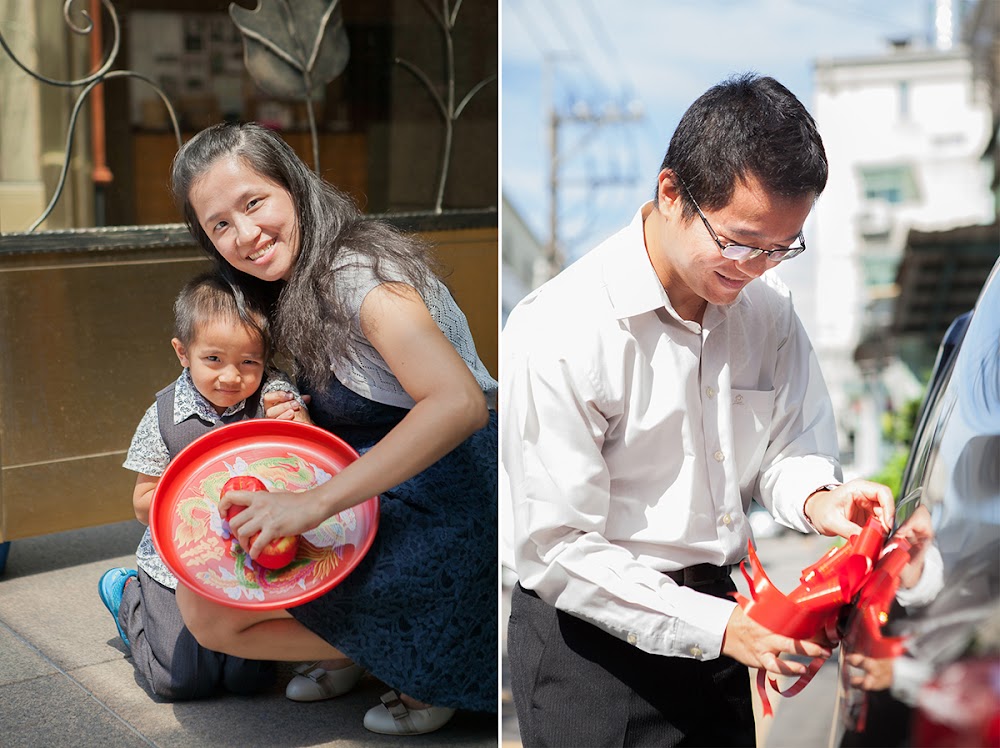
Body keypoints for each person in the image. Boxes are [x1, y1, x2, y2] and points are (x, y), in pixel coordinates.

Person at [501, 72, 896, 747]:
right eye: (741, 242)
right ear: (670, 193)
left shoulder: (769, 317)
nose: (759, 268)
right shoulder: (561, 328)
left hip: (720, 636)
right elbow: (558, 548)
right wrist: (720, 628)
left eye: (782, 247)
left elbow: (786, 449)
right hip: (591, 655)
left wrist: (820, 499)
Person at [166, 121, 498, 736]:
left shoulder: (357, 272)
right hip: (373, 481)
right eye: (219, 225)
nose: (245, 235)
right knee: (207, 604)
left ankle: (431, 668)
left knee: (222, 611)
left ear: (293, 186)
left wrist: (311, 504)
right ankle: (368, 653)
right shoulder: (278, 281)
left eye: (254, 203)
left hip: (455, 494)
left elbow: (458, 404)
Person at [98, 271, 310, 700]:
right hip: (177, 563)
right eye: (213, 359)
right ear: (183, 352)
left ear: (266, 359)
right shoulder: (164, 417)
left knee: (250, 682)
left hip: (246, 560)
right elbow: (142, 503)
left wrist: (290, 421)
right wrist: (196, 489)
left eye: (249, 362)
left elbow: (306, 455)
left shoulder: (270, 394)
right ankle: (127, 597)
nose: (231, 377)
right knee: (179, 682)